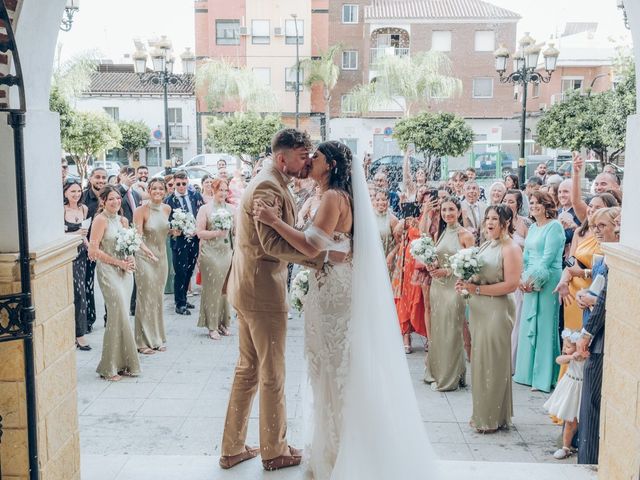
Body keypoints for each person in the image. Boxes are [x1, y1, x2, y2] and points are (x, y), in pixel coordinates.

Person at [252, 139, 437, 478]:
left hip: (334, 292)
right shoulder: (336, 197)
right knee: (335, 369)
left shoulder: (334, 198)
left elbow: (309, 244)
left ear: (332, 166)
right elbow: (327, 248)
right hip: (335, 284)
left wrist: (273, 220)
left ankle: (341, 455)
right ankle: (339, 447)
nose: (310, 160)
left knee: (333, 371)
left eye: (316, 157)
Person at [219, 129, 324, 471]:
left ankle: (232, 448)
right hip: (261, 291)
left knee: (248, 369)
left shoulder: (269, 178)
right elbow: (271, 245)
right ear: (282, 158)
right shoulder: (268, 186)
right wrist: (317, 259)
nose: (307, 160)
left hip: (246, 287)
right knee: (271, 373)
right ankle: (274, 450)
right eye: (301, 155)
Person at [456, 204, 522, 432]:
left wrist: (477, 290)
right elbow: (479, 275)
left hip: (496, 312)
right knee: (481, 363)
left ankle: (490, 418)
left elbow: (512, 285)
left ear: (506, 223)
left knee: (492, 364)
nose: (490, 223)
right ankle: (484, 412)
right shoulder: (486, 244)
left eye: (495, 219)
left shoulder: (510, 248)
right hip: (479, 311)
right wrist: (465, 285)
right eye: (488, 219)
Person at [575, 206, 620, 465]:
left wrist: (586, 334)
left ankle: (588, 462)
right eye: (594, 227)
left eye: (602, 226)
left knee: (590, 406)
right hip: (597, 335)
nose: (597, 232)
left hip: (600, 342)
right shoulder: (603, 259)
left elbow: (602, 302)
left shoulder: (614, 261)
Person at [514, 191, 565, 392]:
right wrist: (523, 278)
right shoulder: (533, 227)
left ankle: (544, 377)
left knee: (544, 326)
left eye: (537, 203)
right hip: (530, 278)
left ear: (546, 205)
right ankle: (526, 373)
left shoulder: (555, 226)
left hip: (548, 278)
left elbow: (548, 257)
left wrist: (533, 280)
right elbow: (526, 256)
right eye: (532, 203)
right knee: (528, 323)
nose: (534, 206)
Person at [89, 185, 141, 382]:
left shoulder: (123, 220)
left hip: (125, 272)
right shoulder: (100, 220)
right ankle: (108, 366)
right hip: (108, 271)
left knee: (123, 316)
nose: (115, 202)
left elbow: (128, 244)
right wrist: (118, 262)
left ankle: (125, 363)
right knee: (115, 314)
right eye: (110, 199)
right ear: (103, 201)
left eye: (117, 198)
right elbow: (94, 251)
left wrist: (131, 258)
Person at [424, 196, 475, 391]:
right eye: (444, 210)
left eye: (451, 209)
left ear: (459, 211)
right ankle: (438, 372)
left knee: (452, 331)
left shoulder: (466, 235)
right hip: (437, 287)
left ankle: (450, 378)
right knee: (438, 330)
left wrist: (447, 271)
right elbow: (440, 256)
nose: (447, 213)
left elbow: (470, 266)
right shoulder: (441, 232)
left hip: (454, 288)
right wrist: (433, 265)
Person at [392, 189, 435, 354]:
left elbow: (426, 235)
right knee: (406, 298)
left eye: (430, 201)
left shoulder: (437, 220)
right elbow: (397, 234)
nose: (427, 204)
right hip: (408, 265)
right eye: (424, 201)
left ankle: (427, 335)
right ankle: (406, 336)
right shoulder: (412, 220)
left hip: (424, 265)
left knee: (423, 301)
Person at [133, 178, 170, 354]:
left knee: (157, 297)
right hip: (145, 257)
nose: (157, 191)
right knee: (145, 297)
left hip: (162, 259)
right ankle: (141, 341)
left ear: (165, 191)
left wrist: (175, 231)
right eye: (154, 188)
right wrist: (147, 252)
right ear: (148, 190)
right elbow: (137, 237)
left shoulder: (166, 209)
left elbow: (163, 231)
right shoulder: (141, 211)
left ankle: (156, 337)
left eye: (161, 188)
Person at [196, 179, 234, 340]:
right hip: (210, 253)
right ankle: (212, 325)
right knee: (212, 289)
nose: (224, 193)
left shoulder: (232, 209)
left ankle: (223, 322)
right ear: (213, 190)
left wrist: (236, 252)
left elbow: (236, 232)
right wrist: (217, 233)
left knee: (225, 289)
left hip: (226, 252)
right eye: (221, 190)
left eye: (226, 190)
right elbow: (199, 232)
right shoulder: (205, 209)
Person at [164, 171, 204, 315]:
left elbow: (201, 212)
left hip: (194, 238)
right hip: (179, 240)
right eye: (178, 184)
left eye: (184, 183)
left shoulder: (195, 196)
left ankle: (184, 298)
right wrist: (174, 229)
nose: (181, 187)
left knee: (189, 269)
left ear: (187, 182)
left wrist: (198, 229)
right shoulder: (169, 200)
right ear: (174, 183)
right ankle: (179, 302)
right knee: (180, 271)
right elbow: (165, 220)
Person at [543, 329, 586, 459]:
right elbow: (559, 359)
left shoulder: (586, 356)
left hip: (583, 388)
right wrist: (571, 356)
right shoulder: (570, 357)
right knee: (570, 420)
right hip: (571, 389)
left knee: (582, 420)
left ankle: (579, 444)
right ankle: (566, 447)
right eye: (564, 346)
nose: (565, 349)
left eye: (568, 347)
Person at [503, 189, 532, 370]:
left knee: (515, 320)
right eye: (505, 200)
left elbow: (530, 252)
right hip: (500, 274)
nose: (507, 204)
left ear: (519, 205)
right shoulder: (498, 222)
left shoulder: (525, 223)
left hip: (518, 276)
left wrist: (525, 276)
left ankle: (512, 362)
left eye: (511, 201)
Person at [63, 181, 90, 350]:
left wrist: (90, 248)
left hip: (81, 254)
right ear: (65, 193)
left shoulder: (84, 209)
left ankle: (80, 332)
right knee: (73, 294)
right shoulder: (61, 210)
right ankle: (74, 333)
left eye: (79, 191)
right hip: (67, 255)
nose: (76, 194)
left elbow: (84, 234)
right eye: (72, 191)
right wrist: (74, 233)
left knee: (82, 294)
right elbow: (57, 234)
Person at [82, 167, 107, 332]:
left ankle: (110, 318)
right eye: (97, 177)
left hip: (108, 247)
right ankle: (89, 319)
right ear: (91, 179)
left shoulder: (111, 195)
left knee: (108, 283)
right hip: (88, 247)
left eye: (104, 178)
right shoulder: (83, 198)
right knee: (88, 284)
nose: (101, 180)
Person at [117, 166, 142, 316]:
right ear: (120, 175)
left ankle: (134, 305)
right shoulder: (118, 191)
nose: (131, 177)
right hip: (122, 236)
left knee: (135, 270)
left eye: (133, 175)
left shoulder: (136, 194)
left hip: (134, 236)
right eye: (128, 174)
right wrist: (124, 184)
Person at [373, 189, 399, 269]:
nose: (380, 202)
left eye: (383, 200)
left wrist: (391, 255)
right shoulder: (369, 218)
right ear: (374, 201)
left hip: (387, 259)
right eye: (377, 200)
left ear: (388, 201)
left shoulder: (393, 220)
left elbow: (399, 242)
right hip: (372, 258)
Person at [461, 181, 486, 245]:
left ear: (479, 192)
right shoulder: (459, 208)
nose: (471, 191)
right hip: (466, 245)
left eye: (474, 188)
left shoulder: (484, 207)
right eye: (468, 188)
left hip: (482, 245)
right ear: (463, 192)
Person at [163, 175, 175, 295]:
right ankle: (167, 287)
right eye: (170, 185)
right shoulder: (164, 200)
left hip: (175, 231)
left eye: (174, 184)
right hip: (166, 233)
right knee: (168, 258)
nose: (172, 187)